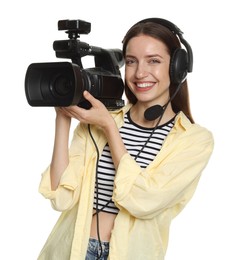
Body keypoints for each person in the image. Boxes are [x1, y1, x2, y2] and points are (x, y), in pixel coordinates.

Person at [37, 18, 214, 260]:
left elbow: (144, 200)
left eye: (153, 61)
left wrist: (110, 127)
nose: (140, 73)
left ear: (177, 68)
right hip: (73, 251)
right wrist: (63, 118)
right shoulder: (96, 121)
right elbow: (61, 196)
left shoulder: (194, 140)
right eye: (131, 62)